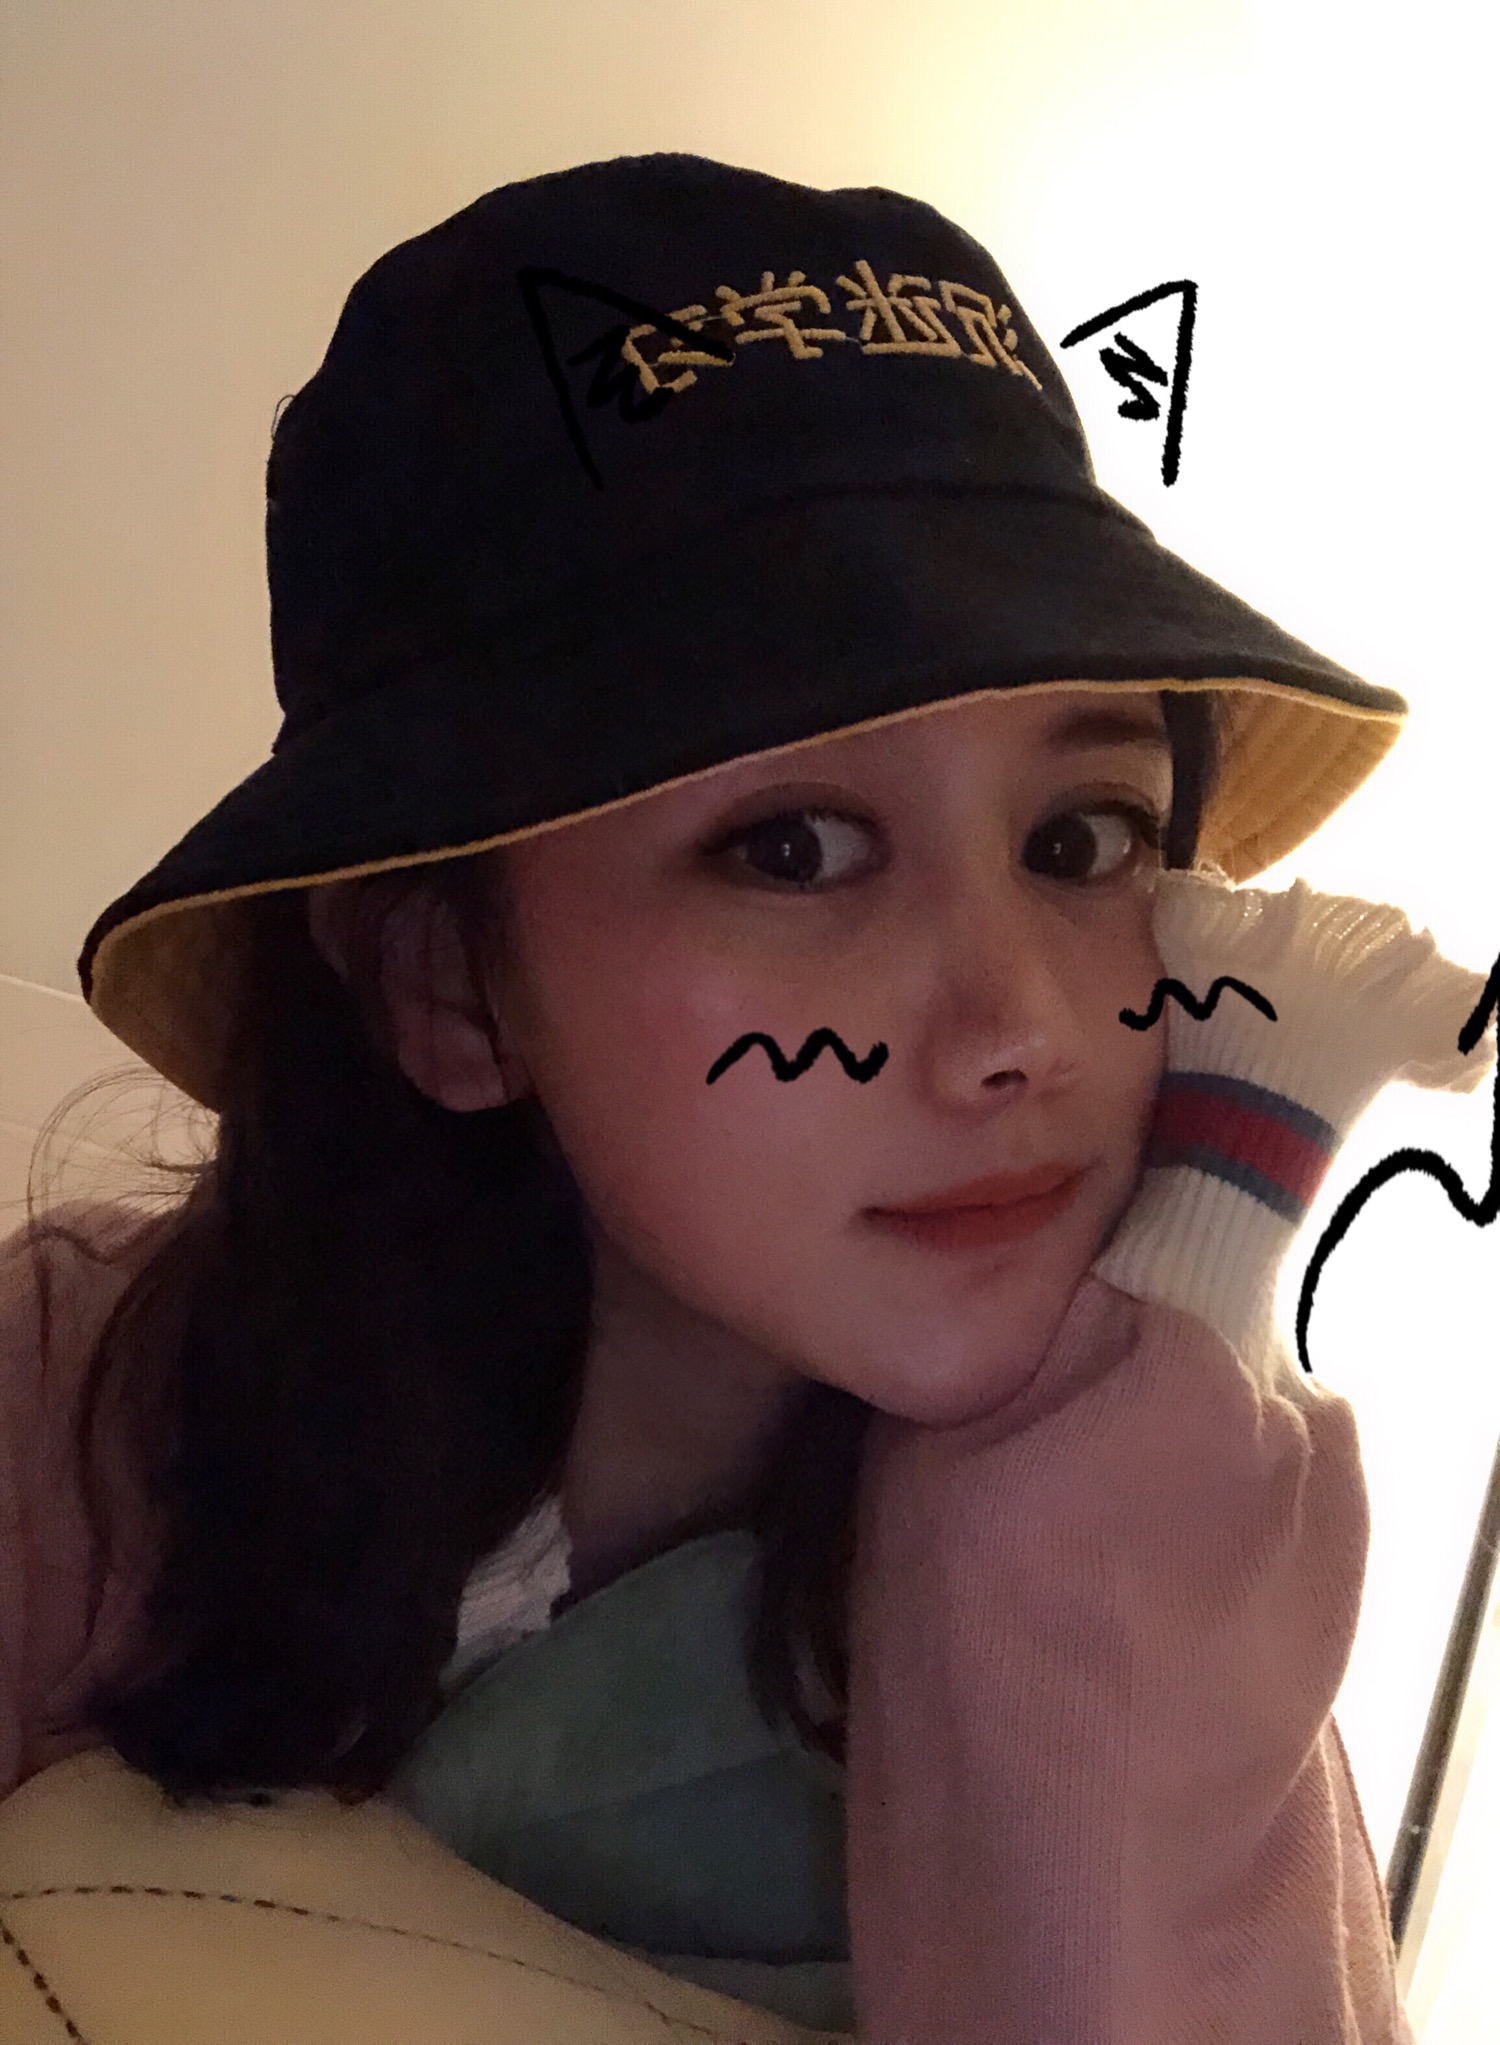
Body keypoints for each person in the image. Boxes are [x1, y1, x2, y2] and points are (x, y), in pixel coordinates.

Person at [0, 151, 1472, 2042]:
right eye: (793, 849)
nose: (1017, 1027)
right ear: (451, 984)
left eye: (1085, 835)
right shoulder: (89, 1409)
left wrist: (1095, 1496)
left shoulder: (1175, 1554)